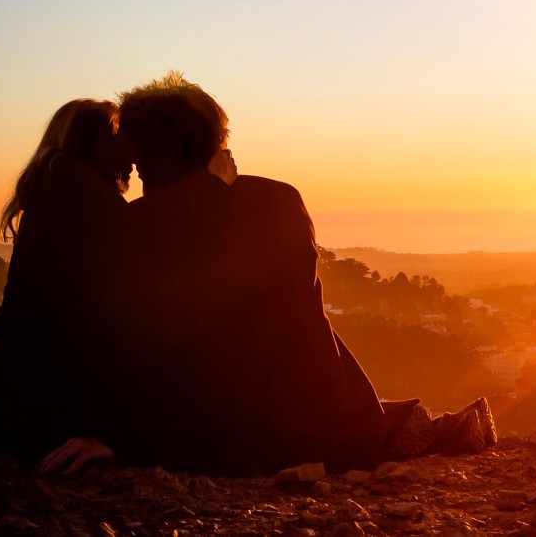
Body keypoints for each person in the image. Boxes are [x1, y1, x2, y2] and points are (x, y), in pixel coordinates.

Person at [107, 71, 391, 475]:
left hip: (225, 440)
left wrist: (114, 435)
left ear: (161, 159)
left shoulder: (144, 226)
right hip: (333, 427)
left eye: (139, 165)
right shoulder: (280, 199)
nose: (136, 178)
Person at [0, 99, 132, 469]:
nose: (128, 150)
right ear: (87, 143)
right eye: (117, 136)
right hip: (38, 394)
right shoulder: (81, 192)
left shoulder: (57, 187)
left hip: (7, 387)